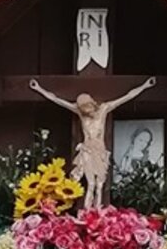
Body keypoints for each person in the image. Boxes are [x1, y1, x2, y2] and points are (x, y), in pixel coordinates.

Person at [29, 77, 156, 208]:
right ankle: (87, 212)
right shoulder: (80, 113)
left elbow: (127, 97)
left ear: (92, 104)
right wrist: (39, 89)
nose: (86, 112)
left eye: (87, 108)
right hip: (87, 151)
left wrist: (144, 86)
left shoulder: (104, 109)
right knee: (91, 184)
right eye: (83, 109)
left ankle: (98, 212)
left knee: (100, 186)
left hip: (100, 151)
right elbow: (58, 100)